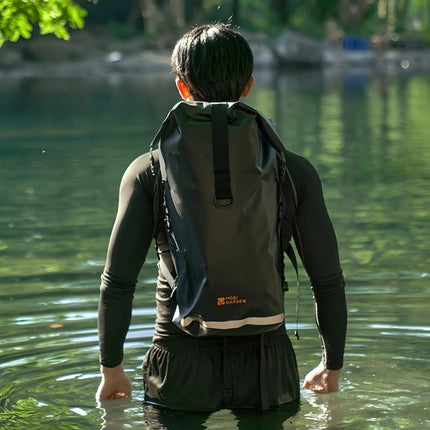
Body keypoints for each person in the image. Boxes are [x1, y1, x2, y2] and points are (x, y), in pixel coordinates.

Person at [96, 23, 347, 411]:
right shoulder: (292, 169)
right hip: (267, 360)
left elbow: (117, 284)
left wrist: (111, 368)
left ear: (181, 86)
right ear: (248, 86)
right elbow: (327, 280)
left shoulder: (149, 170)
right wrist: (332, 365)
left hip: (180, 358)